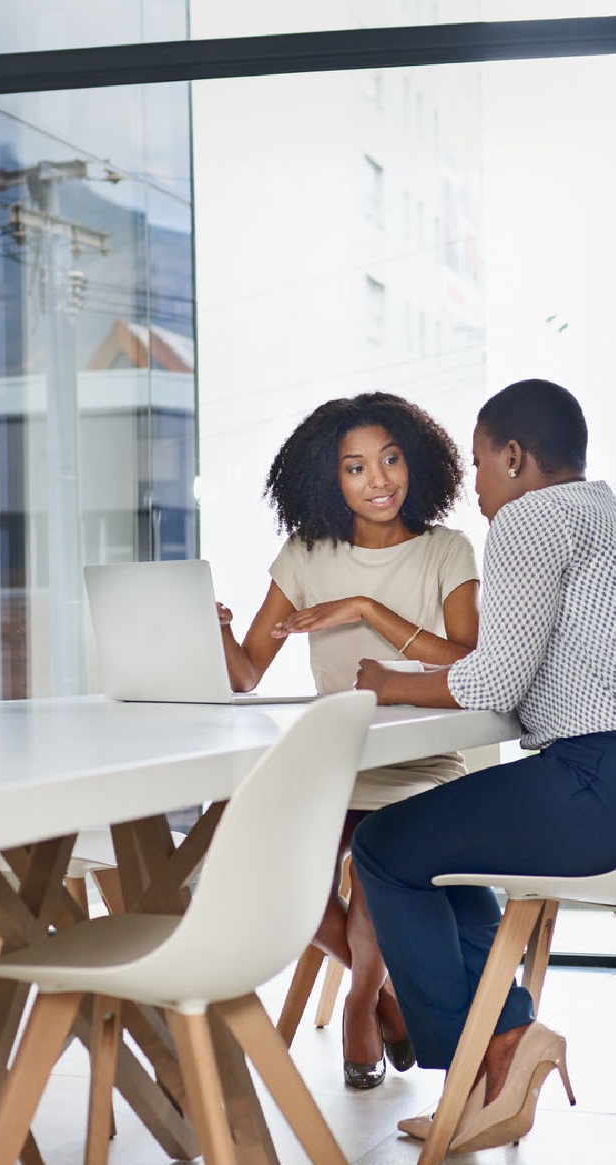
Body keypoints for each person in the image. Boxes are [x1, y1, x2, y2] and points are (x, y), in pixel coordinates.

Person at [351, 378, 616, 1152]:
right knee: (445, 854)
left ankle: (487, 1057)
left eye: (480, 464)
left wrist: (388, 681)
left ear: (513, 457)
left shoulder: (529, 519)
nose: (476, 489)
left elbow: (492, 681)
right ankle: (507, 1035)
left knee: (381, 846)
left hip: (607, 786)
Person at [217, 391, 479, 1088]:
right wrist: (212, 633)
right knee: (267, 869)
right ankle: (387, 1001)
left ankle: (361, 1003)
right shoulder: (305, 554)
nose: (379, 479)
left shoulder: (446, 550)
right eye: (356, 467)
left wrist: (367, 609)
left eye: (390, 459)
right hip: (333, 768)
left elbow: (472, 659)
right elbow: (246, 673)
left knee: (370, 867)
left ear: (417, 462)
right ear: (326, 480)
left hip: (419, 770)